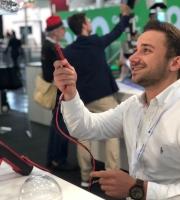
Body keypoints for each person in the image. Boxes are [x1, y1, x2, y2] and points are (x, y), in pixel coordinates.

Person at [53, 20, 180, 199]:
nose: (133, 58)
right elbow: (85, 127)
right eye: (136, 50)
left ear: (175, 63)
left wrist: (138, 189)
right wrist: (70, 92)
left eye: (147, 50)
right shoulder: (134, 105)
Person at [62, 5, 131, 187]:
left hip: (82, 100)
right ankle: (110, 178)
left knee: (83, 138)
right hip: (102, 97)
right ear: (84, 25)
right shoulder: (96, 42)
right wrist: (125, 15)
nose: (91, 22)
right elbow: (117, 31)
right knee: (113, 134)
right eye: (89, 20)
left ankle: (86, 178)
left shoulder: (68, 51)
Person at [41, 15, 76, 171]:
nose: (64, 31)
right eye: (62, 29)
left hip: (55, 91)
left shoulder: (46, 45)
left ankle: (51, 158)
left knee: (55, 125)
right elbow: (62, 69)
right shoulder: (54, 48)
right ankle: (60, 160)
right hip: (59, 91)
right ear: (56, 31)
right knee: (62, 126)